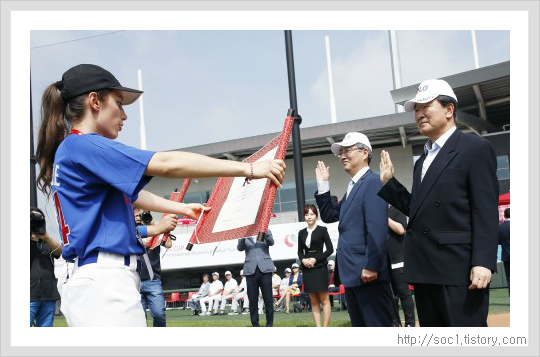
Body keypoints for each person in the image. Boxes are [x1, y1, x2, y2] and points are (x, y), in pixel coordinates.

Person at [35, 64, 286, 326]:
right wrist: (249, 168)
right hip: (104, 281)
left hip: (97, 279)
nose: (124, 114)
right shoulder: (84, 145)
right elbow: (167, 163)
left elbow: (132, 196)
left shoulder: (73, 148)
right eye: (119, 103)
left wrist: (182, 209)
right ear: (94, 101)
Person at [378, 79, 499, 327]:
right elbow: (418, 210)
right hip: (425, 269)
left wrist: (483, 262)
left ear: (449, 109)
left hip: (459, 269)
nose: (419, 114)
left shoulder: (474, 148)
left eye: (426, 106)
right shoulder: (422, 159)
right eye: (416, 109)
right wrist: (390, 183)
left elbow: (485, 210)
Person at [315, 132, 393, 327]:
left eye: (348, 150)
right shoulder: (354, 186)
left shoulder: (372, 182)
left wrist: (372, 265)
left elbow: (377, 227)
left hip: (368, 272)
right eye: (340, 152)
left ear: (364, 152)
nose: (343, 155)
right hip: (353, 273)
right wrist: (323, 185)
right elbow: (329, 216)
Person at [134, 207, 176, 327]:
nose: (140, 217)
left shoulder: (156, 228)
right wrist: (155, 228)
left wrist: (153, 224)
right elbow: (146, 242)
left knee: (159, 314)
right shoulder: (132, 230)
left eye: (142, 215)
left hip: (153, 281)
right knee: (139, 318)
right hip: (134, 281)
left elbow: (168, 244)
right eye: (137, 215)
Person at [298, 204, 334, 327]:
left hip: (319, 267)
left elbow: (330, 250)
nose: (309, 217)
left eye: (312, 214)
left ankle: (325, 327)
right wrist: (303, 260)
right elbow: (299, 251)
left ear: (316, 215)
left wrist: (315, 259)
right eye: (306, 214)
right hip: (307, 269)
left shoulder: (322, 230)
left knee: (324, 299)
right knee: (313, 301)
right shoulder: (301, 233)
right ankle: (318, 328)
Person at [30, 207, 62, 327]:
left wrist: (46, 237)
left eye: (39, 218)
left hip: (48, 294)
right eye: (33, 218)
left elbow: (59, 252)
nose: (36, 220)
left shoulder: (47, 242)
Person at [237, 230, 275, 327]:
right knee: (252, 299)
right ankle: (255, 324)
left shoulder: (265, 229)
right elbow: (240, 248)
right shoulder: (245, 232)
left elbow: (271, 242)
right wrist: (243, 235)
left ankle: (269, 324)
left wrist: (265, 231)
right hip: (250, 270)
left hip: (265, 269)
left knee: (268, 299)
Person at [386, 204, 416, 327]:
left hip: (398, 261)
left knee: (404, 294)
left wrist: (385, 218)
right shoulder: (376, 212)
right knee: (389, 296)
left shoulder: (397, 209)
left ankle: (410, 324)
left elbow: (401, 230)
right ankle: (395, 323)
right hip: (384, 263)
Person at [498, 208, 510, 294]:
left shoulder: (500, 227)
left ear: (504, 215)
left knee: (510, 278)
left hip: (506, 256)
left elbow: (498, 241)